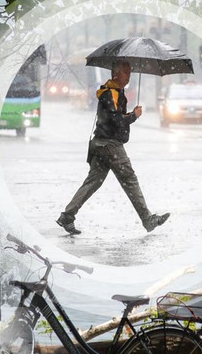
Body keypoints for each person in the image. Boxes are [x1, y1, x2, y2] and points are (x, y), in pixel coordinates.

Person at [56, 59, 169, 235]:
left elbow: (114, 117)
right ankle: (148, 220)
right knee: (129, 180)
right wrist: (134, 116)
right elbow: (116, 121)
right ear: (116, 74)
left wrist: (130, 114)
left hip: (100, 144)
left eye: (130, 72)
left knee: (93, 182)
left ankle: (67, 216)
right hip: (110, 145)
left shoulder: (113, 92)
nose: (129, 76)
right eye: (126, 72)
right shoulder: (111, 94)